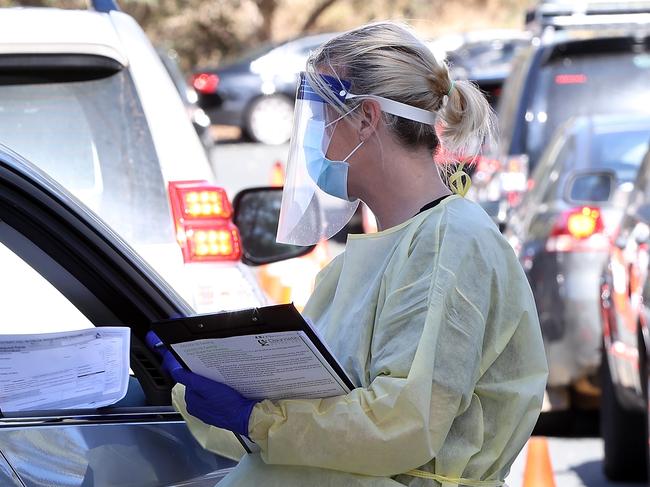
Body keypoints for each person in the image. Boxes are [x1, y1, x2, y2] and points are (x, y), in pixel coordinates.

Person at [152, 21, 548, 486]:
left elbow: (403, 425)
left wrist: (256, 418)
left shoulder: (451, 241)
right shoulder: (360, 263)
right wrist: (218, 381)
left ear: (367, 118)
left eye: (323, 116)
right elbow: (318, 415)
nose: (314, 139)